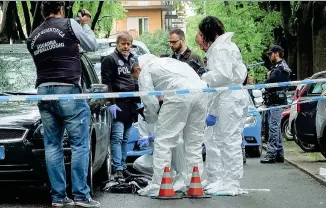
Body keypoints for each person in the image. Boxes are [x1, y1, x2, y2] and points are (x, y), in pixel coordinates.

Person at [26, 1, 99, 207]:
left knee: (52, 146)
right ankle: (81, 196)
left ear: (42, 13)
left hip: (43, 92)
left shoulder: (33, 36)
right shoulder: (69, 24)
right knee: (79, 145)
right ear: (61, 10)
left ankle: (58, 197)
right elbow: (92, 46)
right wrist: (84, 24)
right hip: (68, 90)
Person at [133, 54, 208, 196]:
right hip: (201, 93)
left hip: (178, 94)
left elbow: (149, 100)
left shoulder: (146, 70)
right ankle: (193, 183)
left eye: (135, 76)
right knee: (194, 142)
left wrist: (151, 118)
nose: (136, 79)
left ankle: (159, 185)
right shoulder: (173, 63)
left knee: (163, 141)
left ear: (138, 68)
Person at [195, 16, 248, 196]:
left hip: (229, 97)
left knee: (229, 141)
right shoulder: (227, 46)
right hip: (229, 96)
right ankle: (225, 180)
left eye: (202, 34)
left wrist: (205, 76)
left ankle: (231, 183)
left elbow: (222, 76)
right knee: (224, 140)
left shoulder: (221, 48)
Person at [100, 32, 141, 180]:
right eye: (123, 43)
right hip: (117, 103)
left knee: (125, 138)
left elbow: (135, 81)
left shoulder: (132, 60)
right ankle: (117, 168)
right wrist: (110, 103)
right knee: (117, 137)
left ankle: (123, 167)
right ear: (117, 44)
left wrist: (138, 101)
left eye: (128, 44)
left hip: (130, 104)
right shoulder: (110, 60)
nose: (126, 46)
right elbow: (106, 83)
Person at [261, 45, 291, 164]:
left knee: (273, 127)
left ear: (276, 53)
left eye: (270, 54)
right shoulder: (277, 67)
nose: (269, 56)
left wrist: (269, 76)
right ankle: (279, 154)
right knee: (275, 127)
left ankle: (271, 154)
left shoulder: (281, 68)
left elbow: (271, 81)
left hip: (277, 101)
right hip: (273, 101)